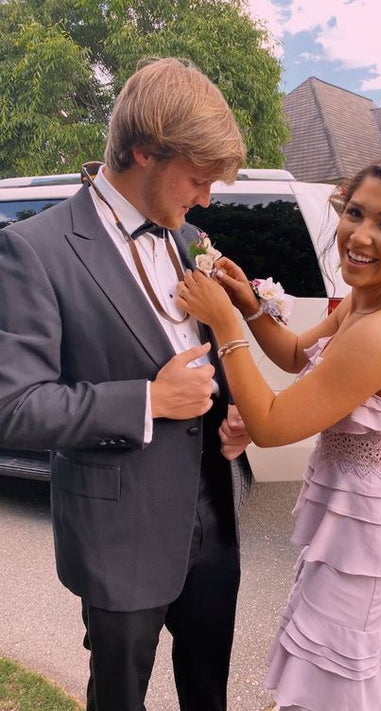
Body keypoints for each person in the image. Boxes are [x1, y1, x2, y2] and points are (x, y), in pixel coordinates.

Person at [0, 57, 251, 711]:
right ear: (144, 151)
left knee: (210, 692)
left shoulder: (189, 236)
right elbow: (14, 406)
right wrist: (148, 400)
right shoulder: (34, 249)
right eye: (197, 178)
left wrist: (230, 408)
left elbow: (197, 351)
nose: (205, 198)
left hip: (213, 520)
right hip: (120, 534)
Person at [176, 155, 381, 710]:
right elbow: (297, 353)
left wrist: (224, 324)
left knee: (339, 682)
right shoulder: (364, 303)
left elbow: (271, 425)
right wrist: (248, 305)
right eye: (355, 213)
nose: (360, 236)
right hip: (355, 524)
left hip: (367, 540)